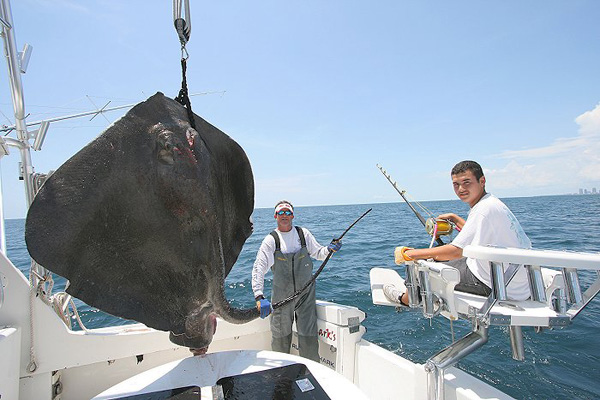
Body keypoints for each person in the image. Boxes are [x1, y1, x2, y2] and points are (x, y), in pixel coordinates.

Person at [385, 160, 531, 305]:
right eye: (456, 184)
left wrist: (409, 254)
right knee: (436, 259)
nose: (461, 189)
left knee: (420, 264)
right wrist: (455, 219)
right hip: (515, 281)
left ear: (482, 181)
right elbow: (479, 232)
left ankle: (406, 299)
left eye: (466, 182)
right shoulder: (492, 203)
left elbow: (456, 251)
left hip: (495, 284)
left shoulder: (482, 210)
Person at [251, 200, 342, 362]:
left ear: (292, 215)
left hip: (306, 296)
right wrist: (259, 295)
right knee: (280, 340)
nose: (284, 215)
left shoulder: (303, 234)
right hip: (281, 299)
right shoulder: (271, 240)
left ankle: (311, 372)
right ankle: (281, 375)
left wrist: (329, 250)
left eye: (287, 212)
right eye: (281, 213)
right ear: (275, 216)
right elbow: (259, 268)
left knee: (308, 337)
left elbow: (319, 253)